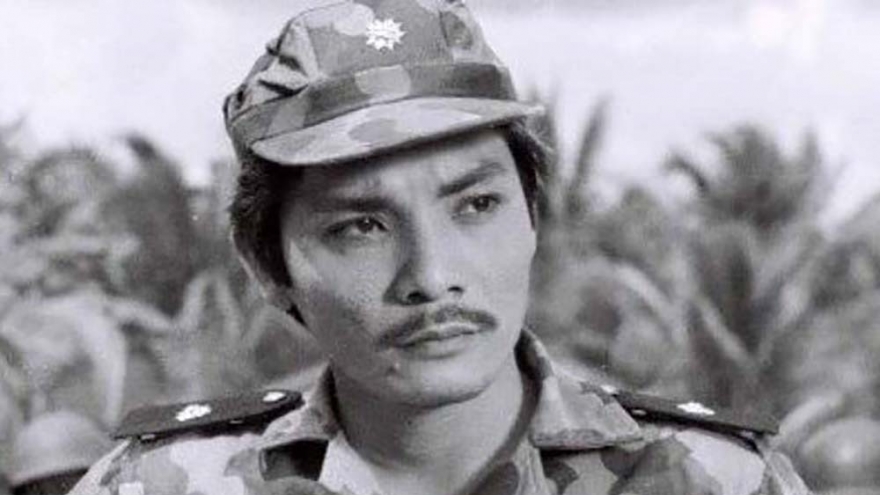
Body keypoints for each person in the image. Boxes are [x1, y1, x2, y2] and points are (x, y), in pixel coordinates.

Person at [69, 0, 812, 493]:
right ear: (268, 265)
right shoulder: (158, 483)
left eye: (476, 205)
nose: (432, 274)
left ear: (531, 216)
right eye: (360, 225)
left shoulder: (716, 479)